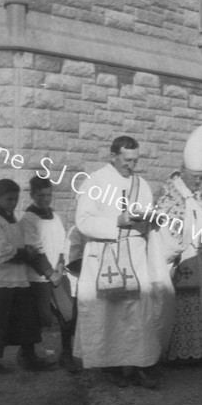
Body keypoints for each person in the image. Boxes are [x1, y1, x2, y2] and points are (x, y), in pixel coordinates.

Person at [73, 136, 174, 388]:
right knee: (110, 314)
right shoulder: (94, 182)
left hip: (136, 254)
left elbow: (147, 215)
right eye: (127, 160)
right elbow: (83, 222)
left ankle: (142, 364)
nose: (132, 166)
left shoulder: (141, 184)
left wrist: (153, 219)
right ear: (113, 156)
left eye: (135, 161)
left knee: (139, 312)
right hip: (105, 254)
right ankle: (113, 366)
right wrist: (115, 221)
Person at [155, 125, 202, 365]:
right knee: (183, 306)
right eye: (194, 176)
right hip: (181, 258)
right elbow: (165, 227)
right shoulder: (169, 194)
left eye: (201, 177)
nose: (198, 181)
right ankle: (178, 355)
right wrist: (180, 245)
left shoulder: (200, 195)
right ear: (182, 171)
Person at [0, 178, 53, 374]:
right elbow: (0, 252)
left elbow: (16, 244)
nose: (13, 203)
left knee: (27, 319)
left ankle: (28, 356)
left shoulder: (14, 220)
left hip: (18, 277)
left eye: (16, 199)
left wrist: (26, 250)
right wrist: (25, 253)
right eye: (9, 199)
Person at [20, 176, 80, 373]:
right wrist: (48, 272)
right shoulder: (29, 219)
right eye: (41, 195)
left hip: (57, 273)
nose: (46, 199)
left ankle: (66, 354)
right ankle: (27, 355)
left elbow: (62, 243)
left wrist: (61, 265)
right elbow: (33, 250)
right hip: (38, 276)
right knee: (37, 317)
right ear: (32, 195)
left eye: (49, 195)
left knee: (67, 313)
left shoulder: (55, 216)